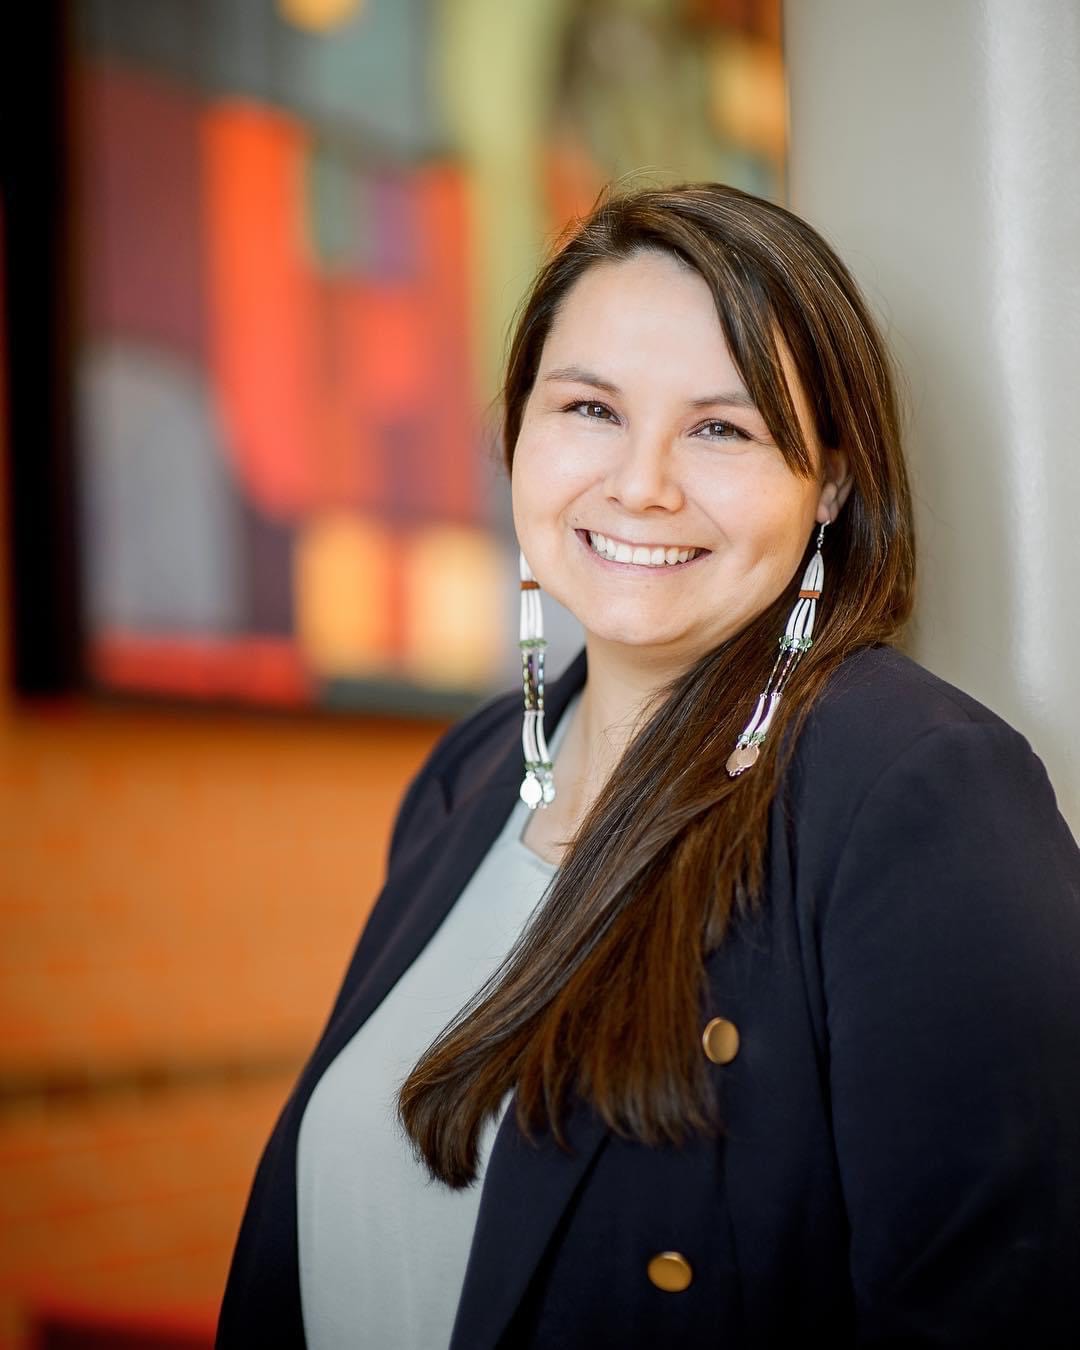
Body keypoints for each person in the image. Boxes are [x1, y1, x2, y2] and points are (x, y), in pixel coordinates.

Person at [217, 183, 1080, 1349]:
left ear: (827, 479)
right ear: (519, 428)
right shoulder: (468, 775)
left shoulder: (911, 789)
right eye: (590, 409)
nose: (641, 484)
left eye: (721, 428)